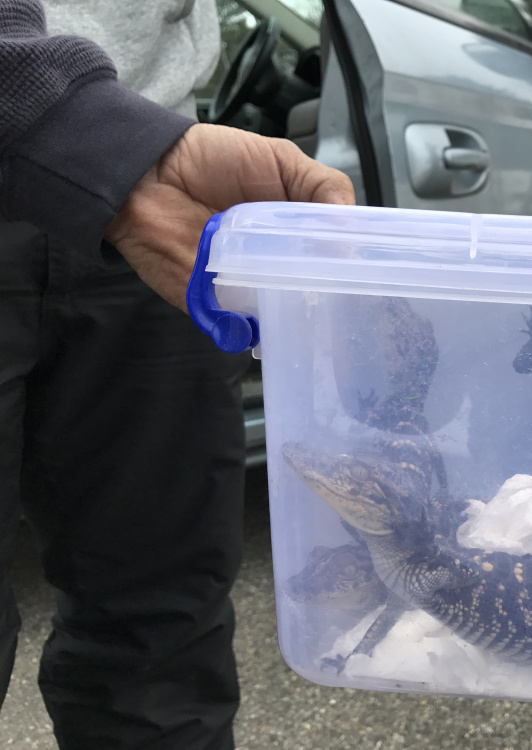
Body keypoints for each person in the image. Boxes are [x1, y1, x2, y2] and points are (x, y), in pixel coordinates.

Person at [0, 1, 354, 748]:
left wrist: (126, 159)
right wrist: (83, 131)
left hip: (149, 192)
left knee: (162, 638)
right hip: (124, 156)